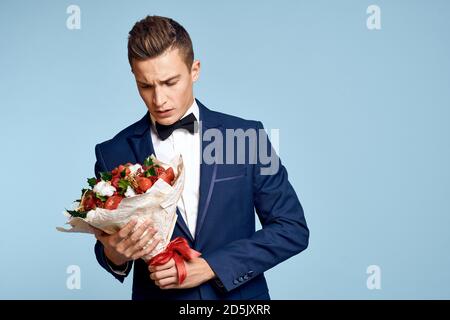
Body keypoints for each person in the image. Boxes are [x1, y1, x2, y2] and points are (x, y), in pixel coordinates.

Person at [93, 15, 309, 300]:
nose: (159, 99)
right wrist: (114, 253)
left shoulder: (246, 137)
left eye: (170, 82)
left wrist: (210, 267)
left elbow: (290, 228)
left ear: (195, 70)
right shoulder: (113, 152)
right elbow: (109, 249)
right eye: (146, 86)